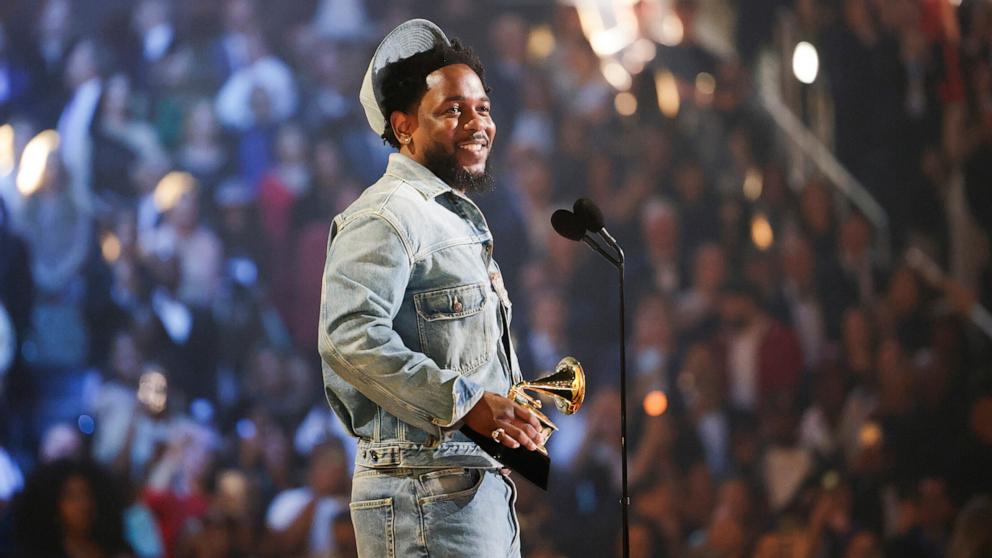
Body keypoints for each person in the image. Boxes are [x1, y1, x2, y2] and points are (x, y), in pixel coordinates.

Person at [318, 18, 544, 557]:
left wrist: (506, 417)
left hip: (468, 491)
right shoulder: (386, 216)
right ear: (403, 128)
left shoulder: (453, 219)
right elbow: (348, 337)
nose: (476, 123)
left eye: (482, 108)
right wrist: (466, 405)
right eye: (452, 111)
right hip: (423, 495)